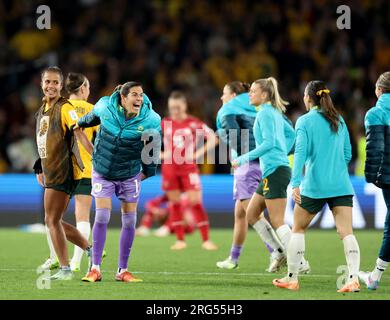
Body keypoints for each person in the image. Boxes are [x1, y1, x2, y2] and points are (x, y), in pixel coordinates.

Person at [273, 80, 361, 293]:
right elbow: (348, 154)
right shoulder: (338, 119)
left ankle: (292, 278)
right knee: (346, 232)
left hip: (315, 186)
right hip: (341, 185)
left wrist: (295, 183)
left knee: (298, 229)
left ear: (309, 98)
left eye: (304, 95)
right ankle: (353, 279)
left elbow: (300, 154)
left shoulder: (304, 121)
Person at [78, 82, 161, 283]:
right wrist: (91, 150)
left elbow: (153, 150)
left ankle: (122, 270)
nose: (139, 99)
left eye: (141, 95)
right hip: (103, 172)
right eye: (134, 95)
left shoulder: (151, 119)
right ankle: (95, 269)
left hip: (129, 174)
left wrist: (146, 173)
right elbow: (84, 122)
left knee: (130, 221)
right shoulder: (104, 107)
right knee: (103, 215)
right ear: (123, 98)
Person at [231, 77, 310, 274]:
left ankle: (300, 262)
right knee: (251, 213)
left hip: (275, 170)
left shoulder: (265, 114)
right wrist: (284, 151)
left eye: (253, 91)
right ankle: (279, 251)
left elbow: (267, 144)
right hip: (274, 170)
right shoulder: (274, 113)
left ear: (264, 94)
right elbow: (291, 135)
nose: (250, 94)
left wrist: (243, 158)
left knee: (277, 221)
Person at [34, 66, 94, 280]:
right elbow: (46, 140)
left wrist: (94, 154)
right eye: (47, 82)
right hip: (51, 169)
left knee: (51, 220)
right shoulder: (43, 108)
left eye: (55, 82)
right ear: (42, 83)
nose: (51, 86)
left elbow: (78, 133)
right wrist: (38, 164)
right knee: (54, 219)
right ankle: (90, 250)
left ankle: (66, 269)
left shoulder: (65, 107)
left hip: (63, 170)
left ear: (61, 86)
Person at [215, 81, 280, 271]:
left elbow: (236, 140)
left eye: (224, 93)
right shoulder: (257, 111)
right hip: (262, 163)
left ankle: (277, 251)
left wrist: (241, 158)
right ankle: (233, 258)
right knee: (240, 214)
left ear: (234, 96)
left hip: (247, 166)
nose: (222, 97)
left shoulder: (231, 112)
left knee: (253, 213)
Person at [161, 91, 218, 250]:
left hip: (188, 167)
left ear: (184, 106)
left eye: (178, 107)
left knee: (195, 202)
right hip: (170, 167)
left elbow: (213, 138)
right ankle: (180, 240)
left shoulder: (194, 122)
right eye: (172, 108)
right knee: (175, 204)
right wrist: (160, 155)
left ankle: (206, 240)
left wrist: (197, 154)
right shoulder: (165, 123)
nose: (175, 111)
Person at [359, 71, 390, 290]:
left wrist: (371, 176)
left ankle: (374, 277)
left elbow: (375, 148)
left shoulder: (376, 113)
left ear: (378, 89)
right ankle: (375, 276)